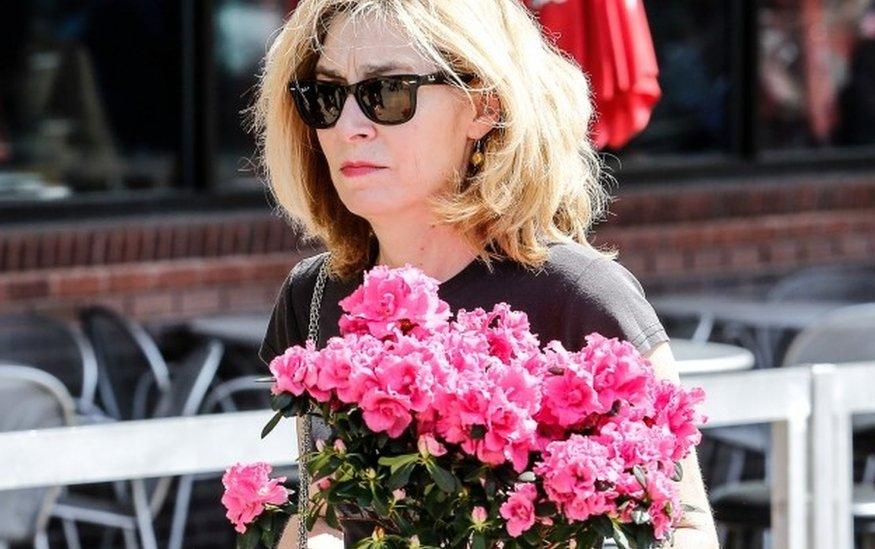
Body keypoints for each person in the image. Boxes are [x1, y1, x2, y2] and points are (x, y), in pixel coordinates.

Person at [252, 1, 718, 547]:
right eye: (327, 96)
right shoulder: (311, 297)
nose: (349, 127)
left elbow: (686, 526)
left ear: (483, 105)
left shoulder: (579, 296)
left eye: (387, 94)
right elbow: (324, 510)